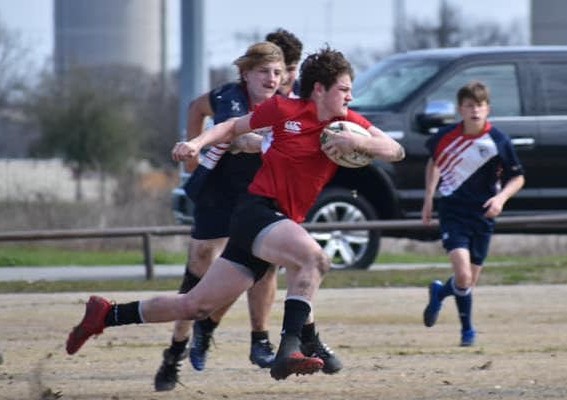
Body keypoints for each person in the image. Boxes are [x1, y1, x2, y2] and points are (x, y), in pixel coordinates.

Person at [65, 46, 405, 381]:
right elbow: (229, 127)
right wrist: (196, 143)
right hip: (257, 211)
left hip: (272, 222)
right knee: (315, 260)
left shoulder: (348, 123)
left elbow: (395, 150)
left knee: (194, 306)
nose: (350, 96)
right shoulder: (284, 109)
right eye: (344, 89)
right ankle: (291, 348)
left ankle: (107, 315)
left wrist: (360, 144)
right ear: (319, 89)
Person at [151, 40, 288, 391]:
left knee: (263, 264)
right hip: (218, 193)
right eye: (264, 72)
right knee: (198, 269)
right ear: (246, 74)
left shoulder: (287, 106)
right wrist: (194, 146)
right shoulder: (229, 98)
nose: (271, 79)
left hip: (257, 194)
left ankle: (259, 339)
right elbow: (202, 111)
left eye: (277, 72)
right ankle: (175, 351)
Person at [421, 81, 525, 347]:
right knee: (463, 275)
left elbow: (518, 178)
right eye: (469, 105)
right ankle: (467, 331)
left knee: (468, 281)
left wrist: (500, 199)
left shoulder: (499, 141)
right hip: (453, 211)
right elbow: (434, 161)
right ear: (460, 110)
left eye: (479, 105)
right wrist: (429, 197)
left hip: (483, 215)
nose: (475, 110)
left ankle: (440, 292)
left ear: (488, 109)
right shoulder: (445, 137)